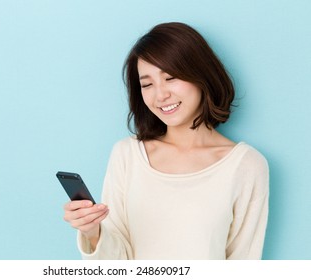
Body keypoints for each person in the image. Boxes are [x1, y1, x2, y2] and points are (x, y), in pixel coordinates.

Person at [63, 22, 269, 260]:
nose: (160, 95)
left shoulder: (247, 165)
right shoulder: (127, 155)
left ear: (201, 75)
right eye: (147, 84)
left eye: (170, 77)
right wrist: (92, 231)